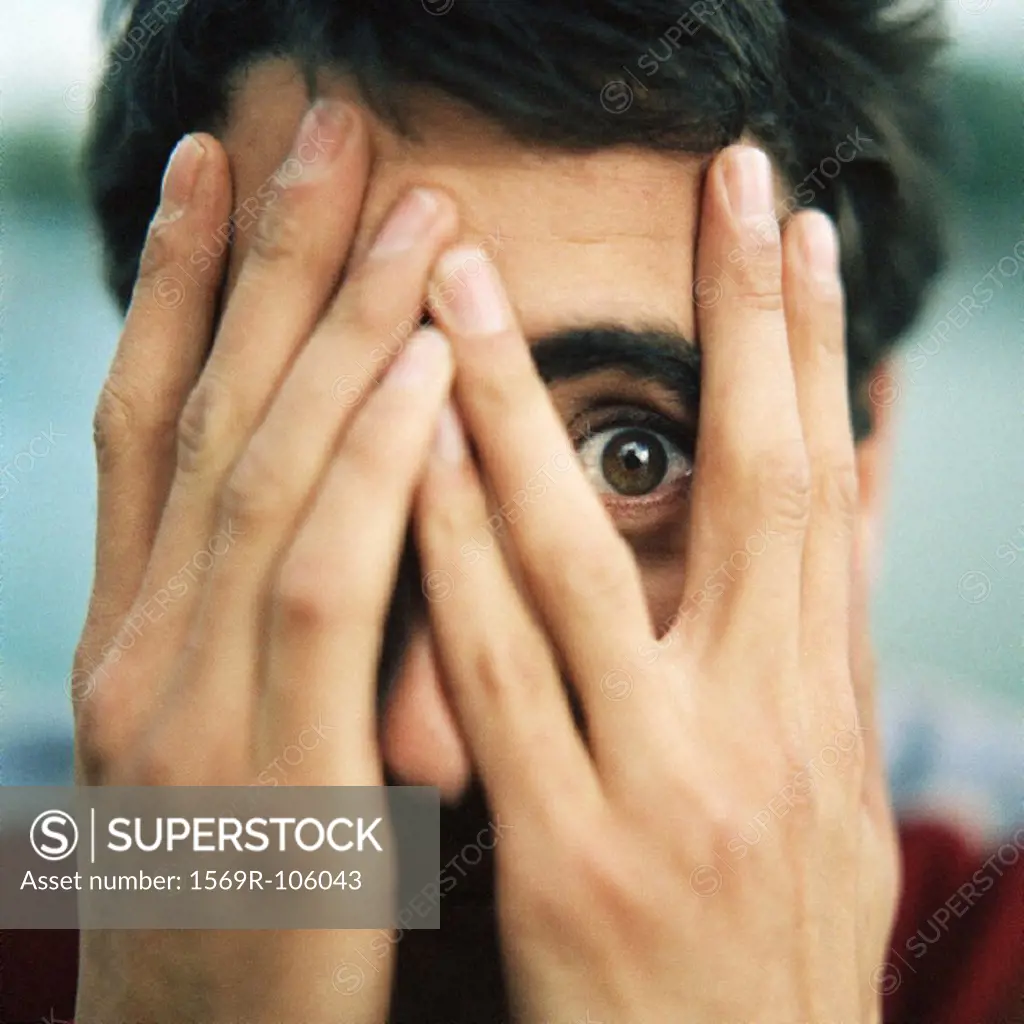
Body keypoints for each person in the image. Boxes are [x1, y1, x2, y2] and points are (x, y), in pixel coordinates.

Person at [4, 1, 1023, 1022]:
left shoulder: (993, 900)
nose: (425, 743)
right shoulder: (36, 876)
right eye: (305, 448)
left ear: (863, 467)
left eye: (631, 457)